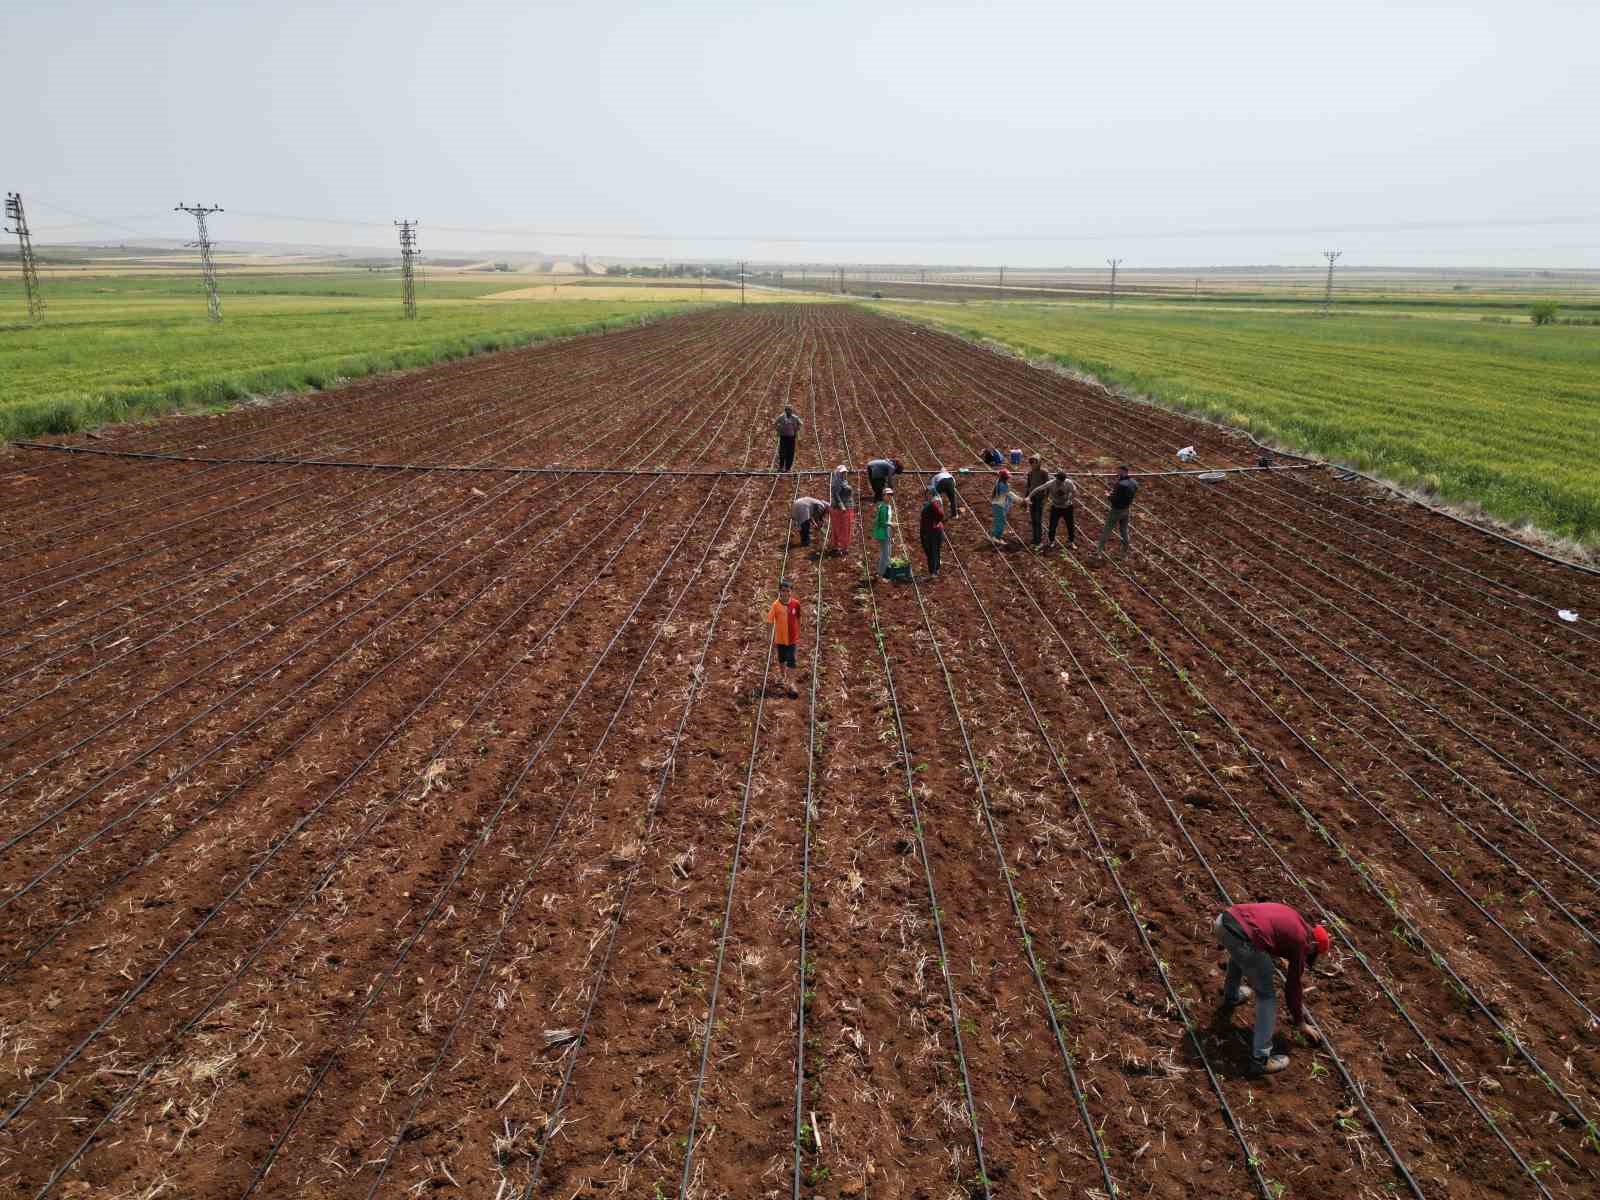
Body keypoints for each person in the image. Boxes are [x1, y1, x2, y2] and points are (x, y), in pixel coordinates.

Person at [1214, 902, 1329, 1076]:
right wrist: (1300, 1022)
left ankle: (1232, 996)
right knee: (1267, 995)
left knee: (1244, 954)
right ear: (1313, 944)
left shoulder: (1293, 917)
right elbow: (1292, 986)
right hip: (1241, 938)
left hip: (1223, 921)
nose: (1310, 954)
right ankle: (1261, 1059)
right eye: (1314, 952)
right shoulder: (1301, 941)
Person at [763, 578, 802, 697]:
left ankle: (791, 684)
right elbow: (769, 621)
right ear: (779, 592)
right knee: (781, 659)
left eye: (788, 591)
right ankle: (782, 675)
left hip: (792, 639)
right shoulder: (775, 605)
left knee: (792, 659)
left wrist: (799, 630)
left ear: (791, 591)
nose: (786, 593)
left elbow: (799, 618)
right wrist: (769, 636)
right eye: (783, 591)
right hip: (780, 639)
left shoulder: (796, 604)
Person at [1094, 466, 1139, 556]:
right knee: (1124, 530)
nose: (1117, 473)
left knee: (1107, 530)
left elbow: (1114, 500)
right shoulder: (1134, 482)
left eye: (1118, 471)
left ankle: (1099, 551)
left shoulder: (1121, 484)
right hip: (1126, 510)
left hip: (1116, 511)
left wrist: (1108, 495)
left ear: (1123, 471)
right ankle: (1125, 549)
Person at [1027, 470, 1078, 549]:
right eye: (1057, 480)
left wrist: (1070, 499)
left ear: (1063, 480)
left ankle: (1071, 541)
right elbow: (1038, 489)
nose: (1058, 483)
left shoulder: (1069, 483)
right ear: (1056, 478)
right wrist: (1029, 496)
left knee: (1070, 525)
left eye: (1060, 482)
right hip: (1056, 507)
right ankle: (1052, 541)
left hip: (1067, 507)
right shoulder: (1051, 483)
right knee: (1052, 525)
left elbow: (1074, 491)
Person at [1023, 455, 1049, 547]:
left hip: (1040, 498)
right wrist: (1026, 498)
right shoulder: (1030, 473)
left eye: (1035, 462)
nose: (1033, 464)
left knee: (1038, 519)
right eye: (1032, 462)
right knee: (1033, 519)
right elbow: (1029, 486)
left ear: (1039, 462)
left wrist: (1046, 498)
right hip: (1032, 498)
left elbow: (1047, 485)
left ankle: (1039, 540)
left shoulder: (1044, 472)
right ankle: (1035, 539)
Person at [918, 493, 946, 578]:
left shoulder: (933, 504)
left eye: (929, 494)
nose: (927, 496)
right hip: (931, 531)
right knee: (934, 551)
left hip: (932, 532)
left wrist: (936, 522)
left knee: (932, 551)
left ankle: (933, 572)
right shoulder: (932, 504)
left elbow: (941, 515)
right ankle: (935, 569)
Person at [989, 468, 1017, 542]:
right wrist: (1020, 500)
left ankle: (997, 536)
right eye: (1007, 478)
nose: (1008, 479)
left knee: (1000, 521)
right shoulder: (1002, 485)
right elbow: (1009, 494)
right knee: (1000, 522)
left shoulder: (999, 482)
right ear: (1004, 478)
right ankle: (995, 537)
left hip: (998, 505)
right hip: (999, 505)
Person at [829, 482, 855, 556]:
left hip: (836, 511)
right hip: (844, 513)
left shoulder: (834, 500)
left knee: (835, 529)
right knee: (845, 530)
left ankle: (835, 547)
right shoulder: (847, 501)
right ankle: (844, 548)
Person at [774, 405, 802, 471]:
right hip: (783, 437)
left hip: (791, 437)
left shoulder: (795, 417)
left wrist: (796, 429)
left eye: (790, 410)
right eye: (788, 410)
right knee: (782, 452)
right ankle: (781, 466)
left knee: (790, 452)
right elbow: (775, 423)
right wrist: (778, 429)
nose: (789, 411)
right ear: (785, 411)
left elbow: (800, 423)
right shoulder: (781, 417)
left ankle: (788, 468)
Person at [872, 493, 894, 577]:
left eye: (891, 495)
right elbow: (881, 522)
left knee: (887, 552)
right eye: (887, 495)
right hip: (883, 532)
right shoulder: (883, 508)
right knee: (885, 553)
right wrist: (891, 524)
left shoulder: (888, 506)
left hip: (887, 531)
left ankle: (886, 570)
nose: (889, 497)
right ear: (883, 496)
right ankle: (881, 573)